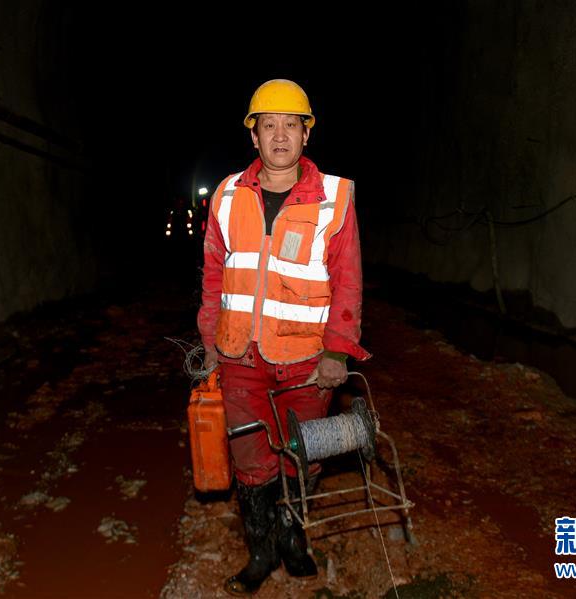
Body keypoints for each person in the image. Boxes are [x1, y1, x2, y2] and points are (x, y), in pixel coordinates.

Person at [197, 79, 371, 595]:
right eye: (267, 125)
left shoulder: (335, 197)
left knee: (303, 456)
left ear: (305, 133)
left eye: (289, 125)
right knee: (251, 462)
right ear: (253, 136)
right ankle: (261, 551)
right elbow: (213, 275)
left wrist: (339, 350)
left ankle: (295, 541)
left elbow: (348, 281)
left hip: (306, 360)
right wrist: (209, 340)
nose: (279, 136)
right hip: (239, 357)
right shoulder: (227, 195)